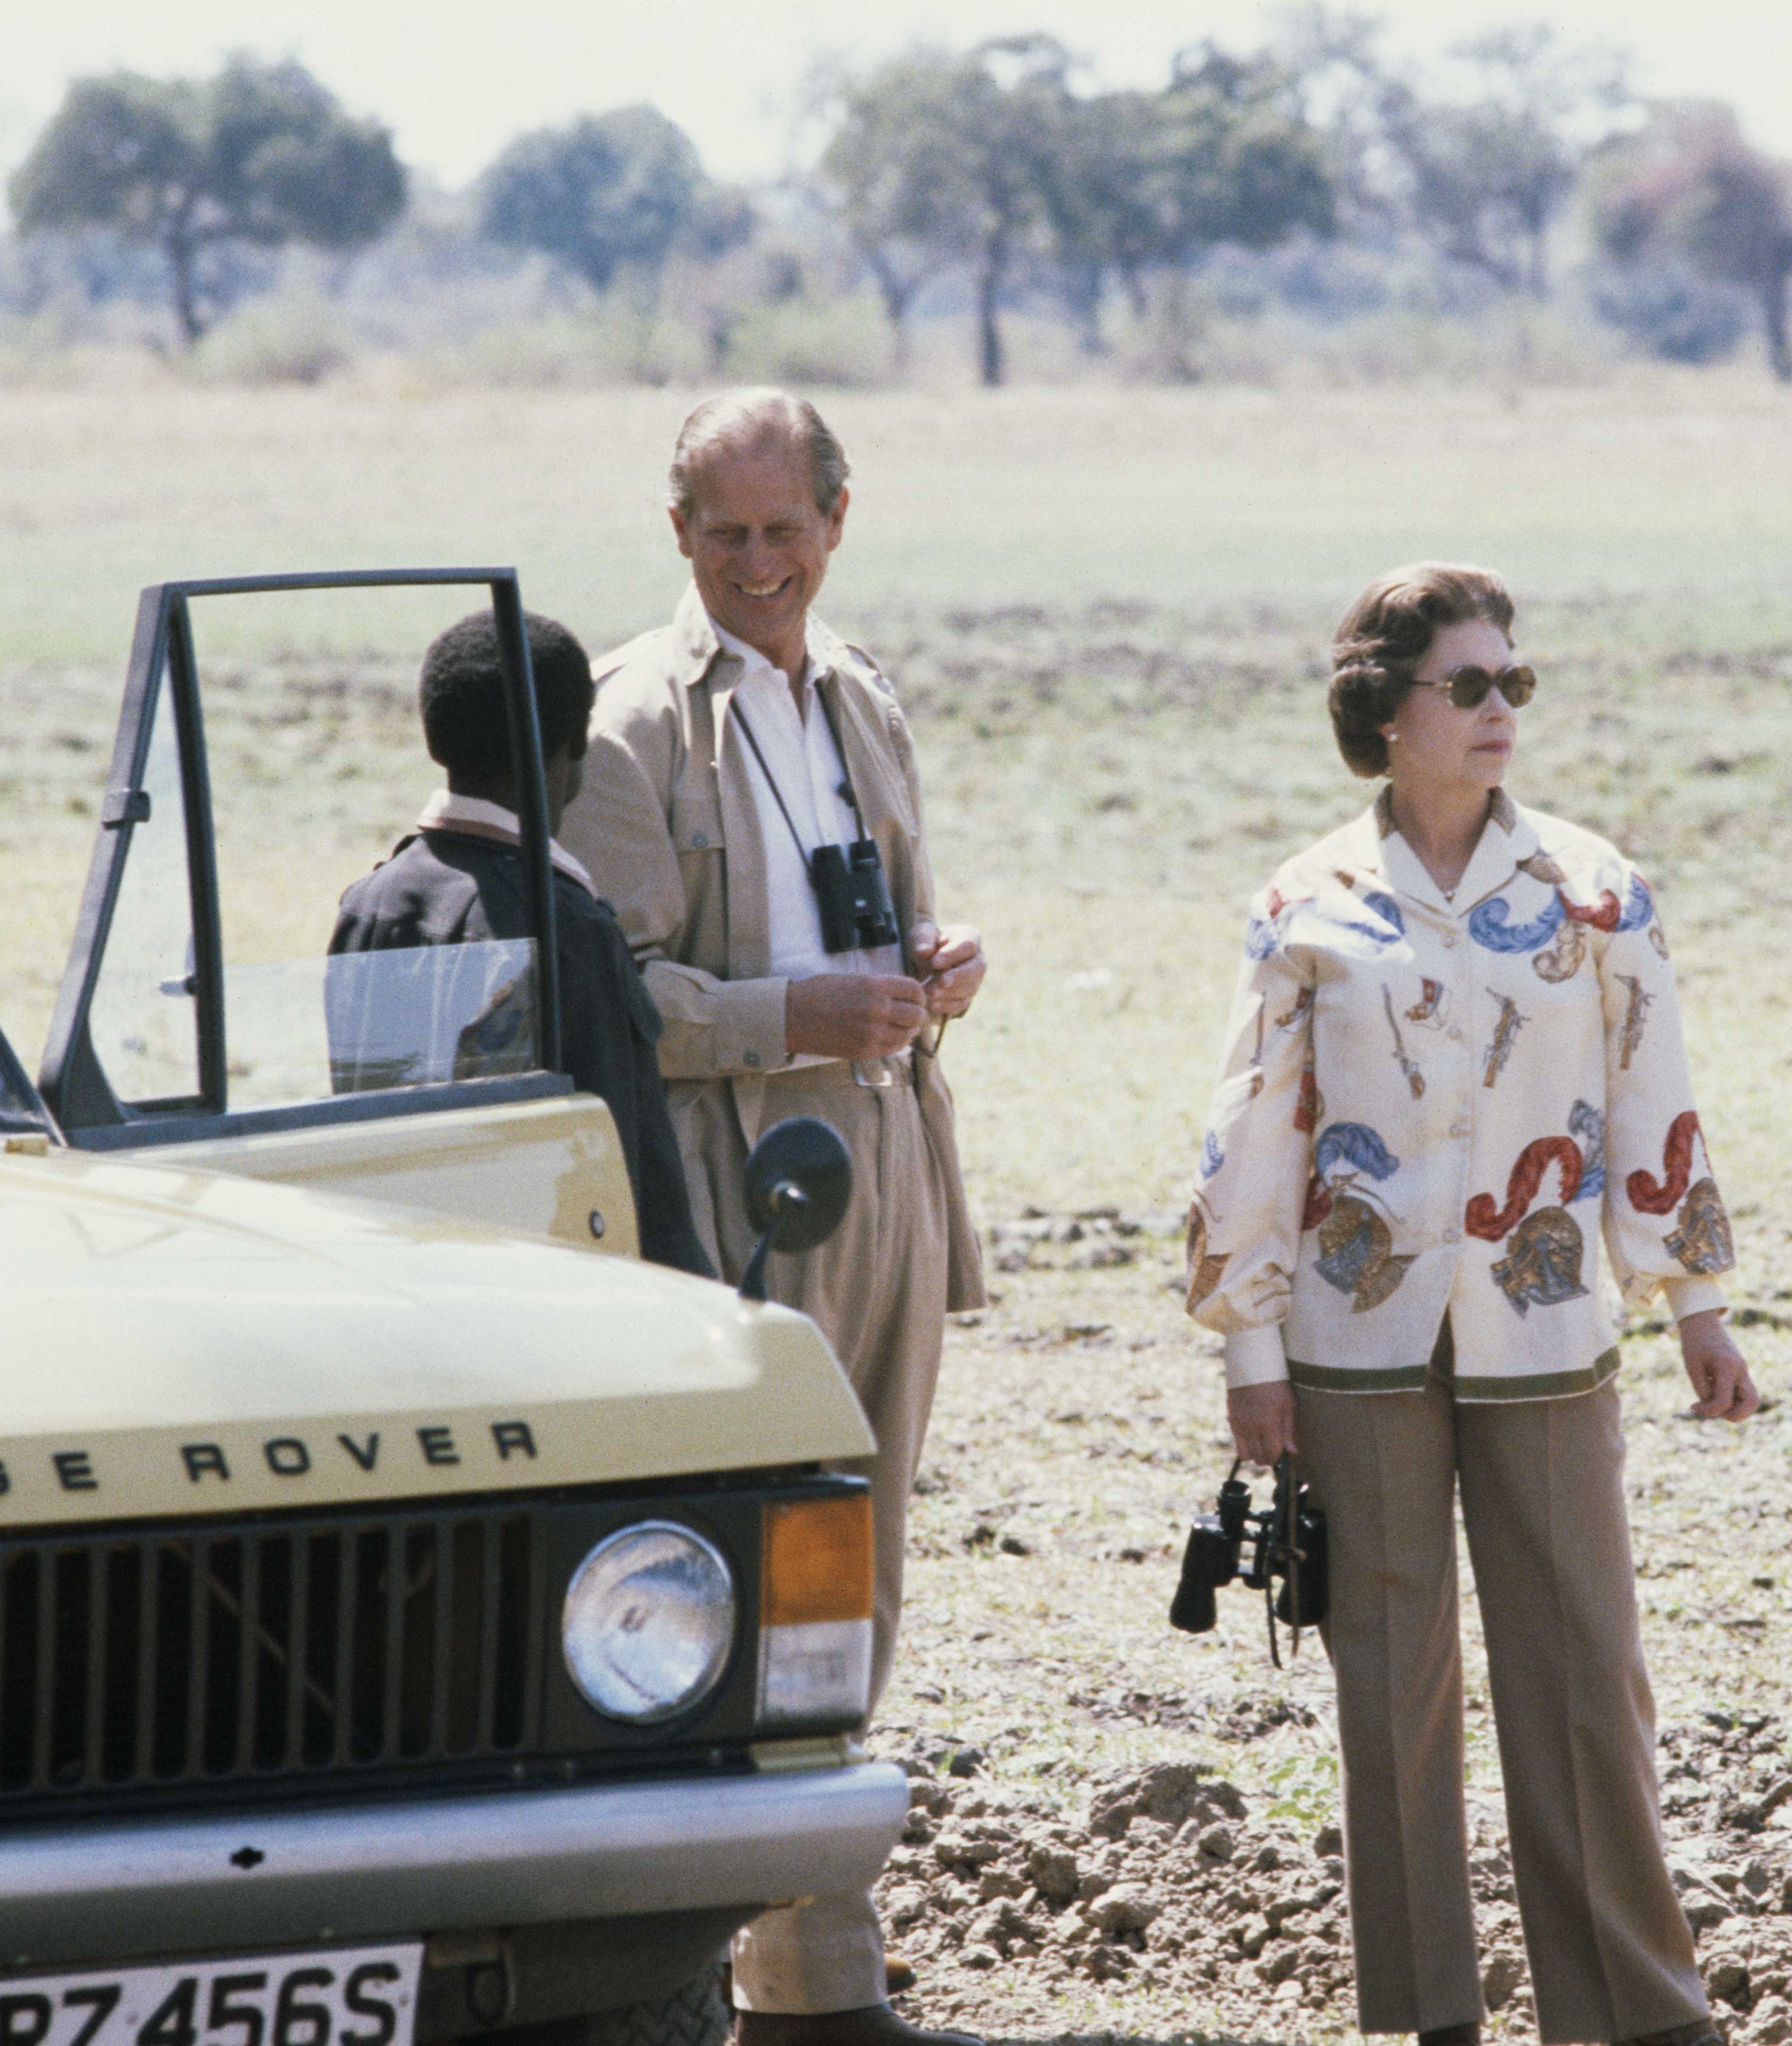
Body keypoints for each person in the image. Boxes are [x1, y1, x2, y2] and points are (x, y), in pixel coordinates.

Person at [1184, 562, 1761, 2046]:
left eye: (1517, 681)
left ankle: (1638, 2014)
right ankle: (1424, 2019)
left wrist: (1696, 1301)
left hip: (1551, 1334)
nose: (1502, 710)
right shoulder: (1304, 904)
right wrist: (1252, 1347)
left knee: (1585, 1671)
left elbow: (1655, 1099)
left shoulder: (1595, 888)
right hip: (1351, 1338)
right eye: (1471, 684)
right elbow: (1256, 1130)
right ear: (1386, 709)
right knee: (1388, 1680)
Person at [567, 389, 988, 2046]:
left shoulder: (857, 692)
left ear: (835, 521)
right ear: (677, 535)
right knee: (771, 1572)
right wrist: (788, 1018)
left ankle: (814, 1984)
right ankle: (785, 1989)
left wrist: (932, 972)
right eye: (723, 533)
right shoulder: (631, 721)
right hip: (741, 1182)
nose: (758, 562)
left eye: (782, 529)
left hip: (881, 1146)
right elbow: (603, 997)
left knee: (864, 1562)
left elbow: (886, 905)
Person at [327, 609, 711, 1279]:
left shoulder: (369, 903)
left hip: (404, 1281)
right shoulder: (567, 927)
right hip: (544, 1296)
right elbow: (624, 1175)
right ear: (575, 748)